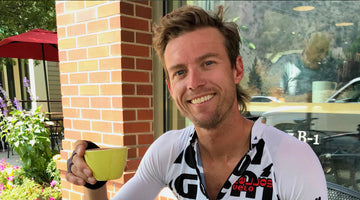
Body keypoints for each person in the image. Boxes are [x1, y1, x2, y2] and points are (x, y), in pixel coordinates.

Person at [66, 6, 328, 200]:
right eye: (180, 71)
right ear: (170, 88)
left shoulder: (290, 159)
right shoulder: (169, 151)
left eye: (207, 63)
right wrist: (94, 180)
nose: (194, 82)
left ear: (237, 70)